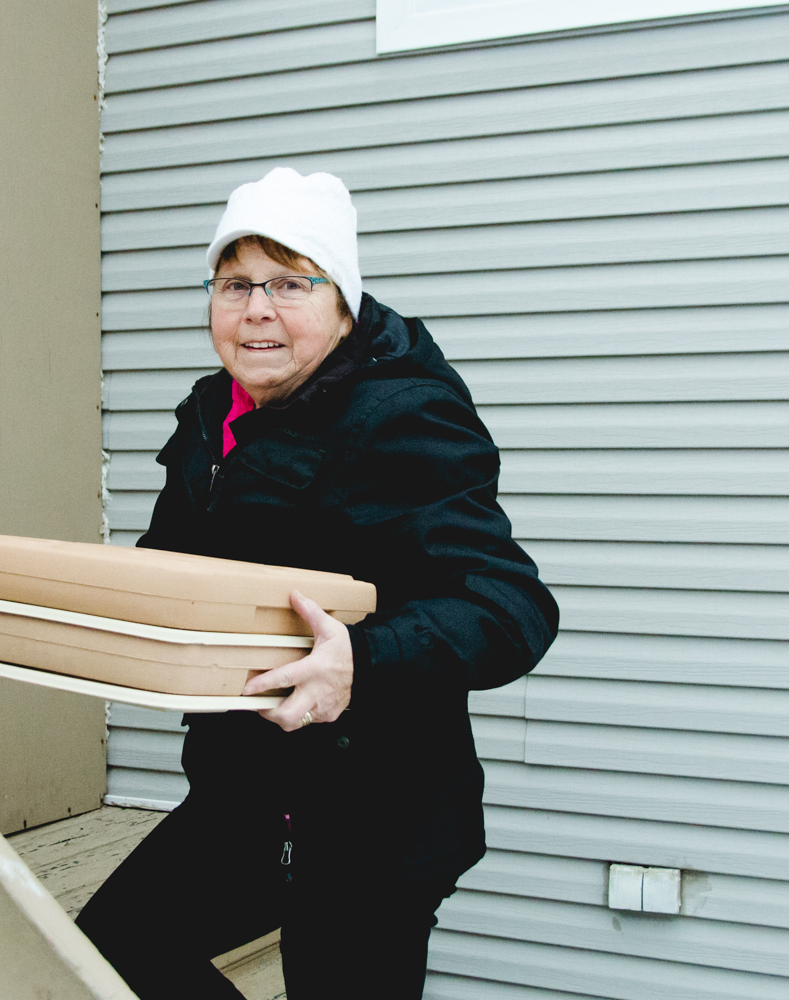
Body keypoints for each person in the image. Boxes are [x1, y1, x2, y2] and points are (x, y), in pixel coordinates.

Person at [76, 167, 559, 998]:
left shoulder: (404, 415)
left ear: (343, 302)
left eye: (290, 282)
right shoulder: (210, 415)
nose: (258, 308)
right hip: (245, 799)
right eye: (235, 283)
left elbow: (511, 607)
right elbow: (174, 564)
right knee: (111, 948)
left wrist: (360, 661)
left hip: (376, 822)